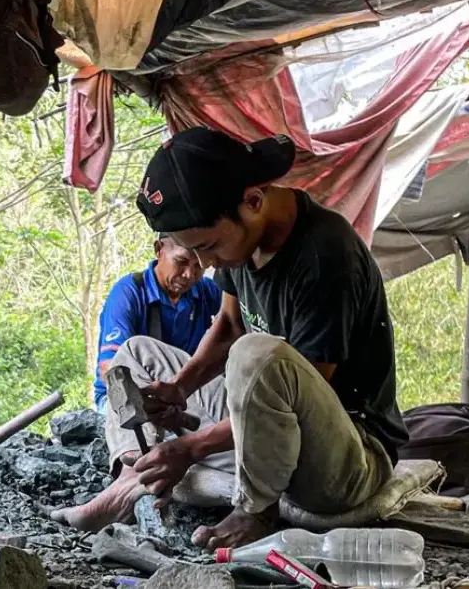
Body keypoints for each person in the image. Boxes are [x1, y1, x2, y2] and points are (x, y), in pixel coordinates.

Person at [55, 127, 408, 550]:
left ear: (253, 201)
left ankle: (254, 508)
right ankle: (138, 471)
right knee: (134, 354)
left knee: (257, 354)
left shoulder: (327, 257)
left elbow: (303, 389)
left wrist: (193, 446)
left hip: (346, 456)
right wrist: (179, 388)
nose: (203, 265)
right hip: (272, 421)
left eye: (207, 248)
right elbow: (227, 325)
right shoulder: (241, 239)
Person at [90, 235, 222, 414]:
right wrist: (149, 396)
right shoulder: (129, 293)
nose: (189, 275)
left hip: (188, 393)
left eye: (199, 265)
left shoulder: (206, 291)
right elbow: (110, 368)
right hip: (132, 396)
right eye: (181, 261)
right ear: (159, 249)